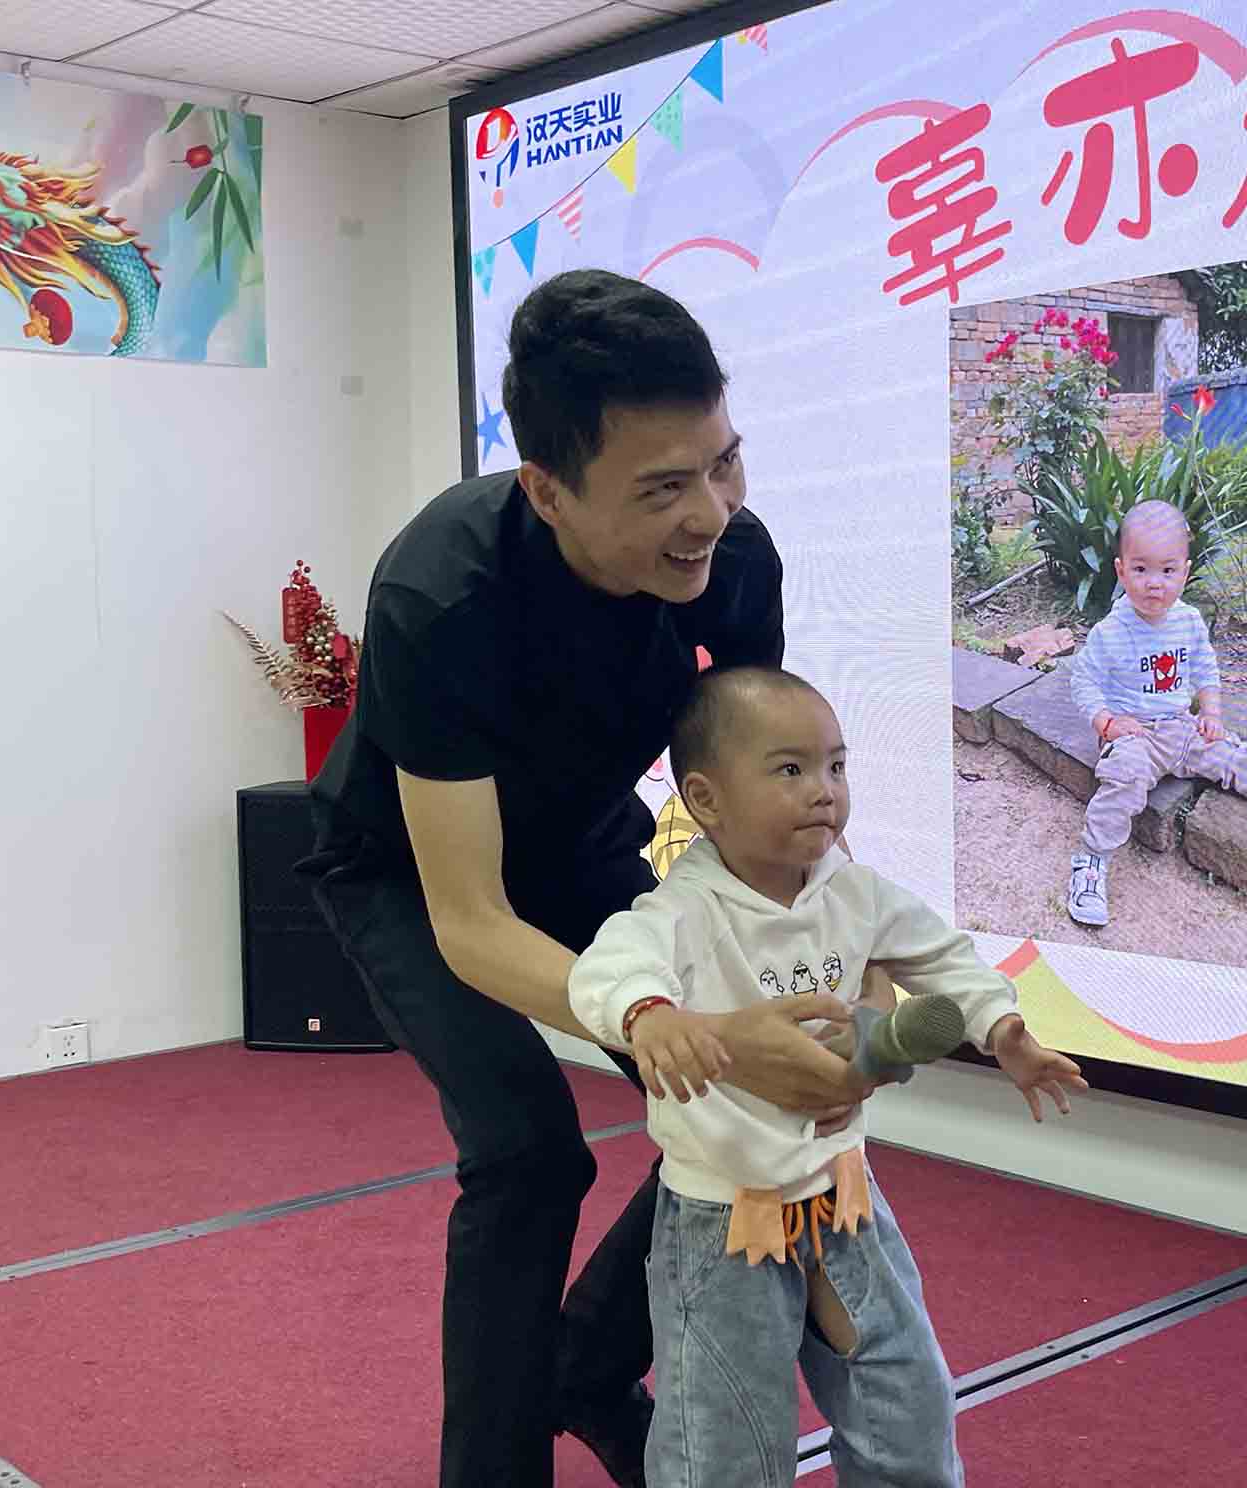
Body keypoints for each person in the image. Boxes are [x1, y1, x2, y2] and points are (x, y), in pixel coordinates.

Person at [298, 270, 874, 1487]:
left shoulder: (736, 561)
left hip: (582, 842)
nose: (708, 513)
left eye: (723, 463)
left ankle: (585, 1368)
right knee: (527, 1151)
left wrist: (827, 963)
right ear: (548, 489)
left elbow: (753, 802)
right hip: (408, 873)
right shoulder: (442, 594)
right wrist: (673, 1021)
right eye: (661, 488)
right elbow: (471, 919)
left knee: (743, 1112)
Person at [567, 666, 1088, 1487]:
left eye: (836, 766)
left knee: (907, 1404)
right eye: (791, 769)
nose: (825, 791)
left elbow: (942, 956)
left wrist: (1003, 1029)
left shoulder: (854, 892)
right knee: (724, 1440)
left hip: (845, 1200)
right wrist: (649, 1015)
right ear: (704, 800)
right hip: (723, 1220)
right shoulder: (685, 909)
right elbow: (608, 967)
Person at [1066, 500, 1247, 928]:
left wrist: (1211, 712)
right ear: (1121, 571)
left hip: (1181, 728)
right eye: (1140, 570)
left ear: (1185, 572)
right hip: (1135, 734)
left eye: (1167, 570)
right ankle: (1091, 862)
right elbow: (1083, 680)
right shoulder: (1111, 632)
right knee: (1124, 777)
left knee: (1232, 755)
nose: (1154, 583)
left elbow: (1204, 668)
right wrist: (1106, 721)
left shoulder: (1188, 621)